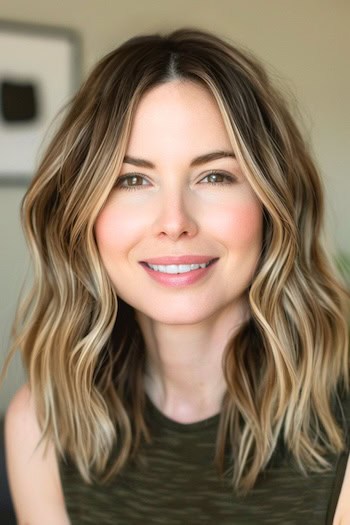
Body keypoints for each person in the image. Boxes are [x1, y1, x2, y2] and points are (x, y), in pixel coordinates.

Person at [4, 28, 350, 524]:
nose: (174, 221)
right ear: (82, 215)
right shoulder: (40, 423)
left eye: (214, 176)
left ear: (272, 203)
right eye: (132, 179)